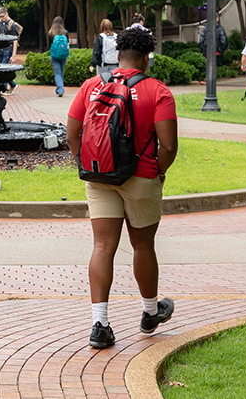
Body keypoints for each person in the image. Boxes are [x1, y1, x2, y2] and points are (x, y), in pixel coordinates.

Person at [66, 26, 178, 350]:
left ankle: (99, 324)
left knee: (102, 247)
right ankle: (149, 312)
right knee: (143, 246)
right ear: (146, 57)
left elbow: (72, 133)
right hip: (141, 177)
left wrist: (87, 163)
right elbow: (168, 146)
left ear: (118, 54)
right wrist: (158, 171)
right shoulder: (158, 91)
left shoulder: (92, 85)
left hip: (99, 178)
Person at [0, 7, 22, 95]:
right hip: (0, 48)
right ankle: (12, 84)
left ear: (7, 13)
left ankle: (3, 88)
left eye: (2, 16)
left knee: (3, 68)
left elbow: (15, 40)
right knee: (3, 69)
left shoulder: (12, 24)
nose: (1, 18)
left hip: (8, 48)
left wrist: (13, 55)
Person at [48, 16, 70, 97]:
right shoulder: (65, 32)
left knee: (57, 73)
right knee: (61, 73)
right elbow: (67, 44)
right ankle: (60, 89)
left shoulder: (51, 32)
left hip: (54, 56)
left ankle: (60, 90)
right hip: (63, 56)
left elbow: (49, 45)